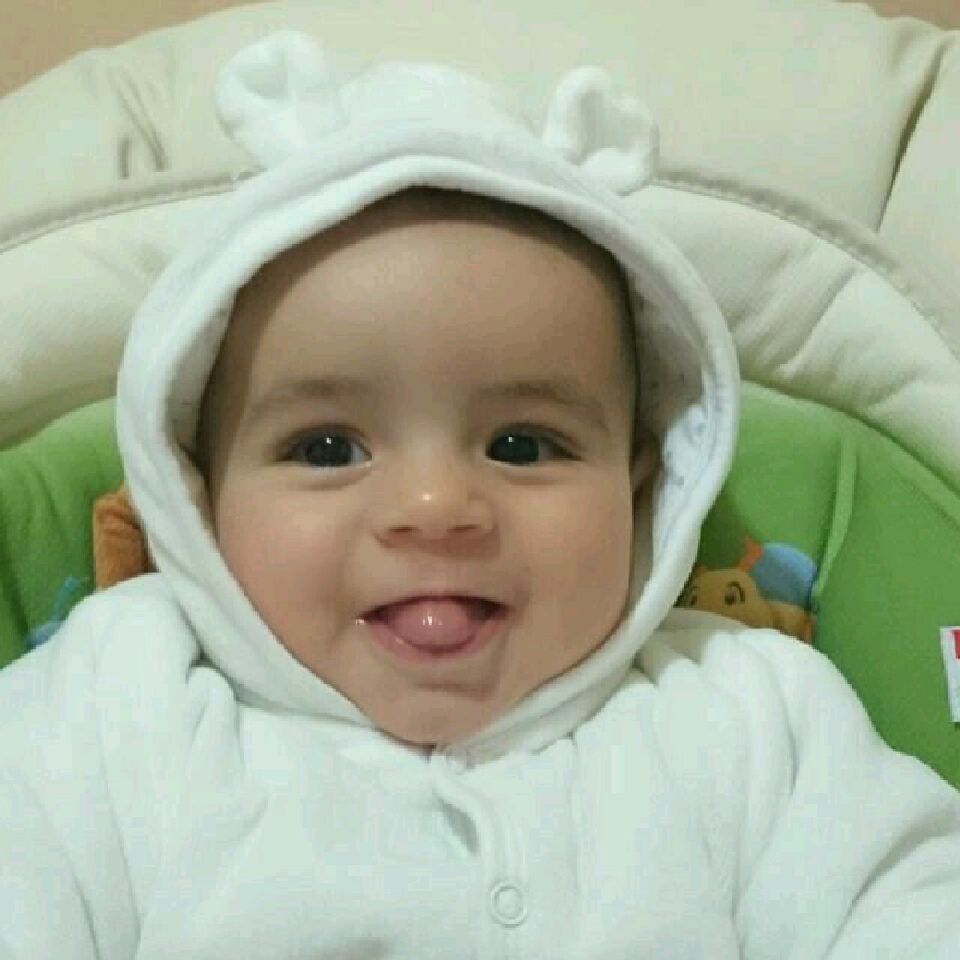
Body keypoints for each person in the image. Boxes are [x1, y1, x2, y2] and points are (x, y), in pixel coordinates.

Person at [1, 31, 958, 959]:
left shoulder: (747, 717)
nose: (433, 506)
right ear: (195, 493)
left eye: (521, 445)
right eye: (327, 448)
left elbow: (911, 904)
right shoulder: (120, 701)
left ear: (641, 489)